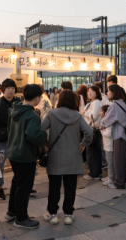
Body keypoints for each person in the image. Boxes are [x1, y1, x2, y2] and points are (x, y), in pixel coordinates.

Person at [41, 90, 93, 225]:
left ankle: (53, 215)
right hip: (73, 157)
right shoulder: (77, 116)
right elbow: (89, 132)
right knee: (70, 188)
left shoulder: (52, 114)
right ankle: (68, 215)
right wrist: (83, 144)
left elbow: (41, 130)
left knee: (54, 187)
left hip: (55, 156)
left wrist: (46, 143)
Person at [3, 84, 47, 229]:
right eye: (39, 96)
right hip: (25, 155)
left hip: (13, 152)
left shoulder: (15, 109)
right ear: (36, 98)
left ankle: (12, 211)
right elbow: (34, 136)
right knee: (24, 187)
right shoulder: (32, 115)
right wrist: (44, 135)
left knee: (17, 182)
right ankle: (21, 219)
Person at [0, 78, 21, 200]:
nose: (11, 91)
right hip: (0, 138)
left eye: (13, 89)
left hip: (15, 138)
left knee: (17, 162)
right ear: (3, 90)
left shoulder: (18, 101)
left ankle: (18, 185)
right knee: (0, 163)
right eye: (8, 88)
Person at [101, 84, 126, 189]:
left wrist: (101, 125)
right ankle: (125, 179)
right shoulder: (122, 103)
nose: (107, 93)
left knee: (118, 159)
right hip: (125, 135)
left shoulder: (115, 105)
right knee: (123, 159)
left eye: (108, 91)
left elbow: (106, 120)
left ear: (113, 92)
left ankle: (119, 182)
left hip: (119, 135)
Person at [82, 85, 103, 180]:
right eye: (88, 91)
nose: (89, 93)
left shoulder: (97, 103)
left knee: (92, 153)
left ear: (97, 93)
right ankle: (96, 173)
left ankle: (94, 174)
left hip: (94, 130)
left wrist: (85, 113)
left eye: (92, 91)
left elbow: (93, 117)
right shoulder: (91, 103)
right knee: (92, 153)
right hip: (92, 130)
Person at [100, 105, 114, 185]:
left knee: (110, 162)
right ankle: (109, 176)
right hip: (107, 145)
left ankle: (111, 178)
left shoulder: (108, 121)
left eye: (101, 111)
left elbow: (108, 134)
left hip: (109, 145)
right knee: (109, 162)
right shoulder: (105, 120)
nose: (100, 113)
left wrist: (101, 131)